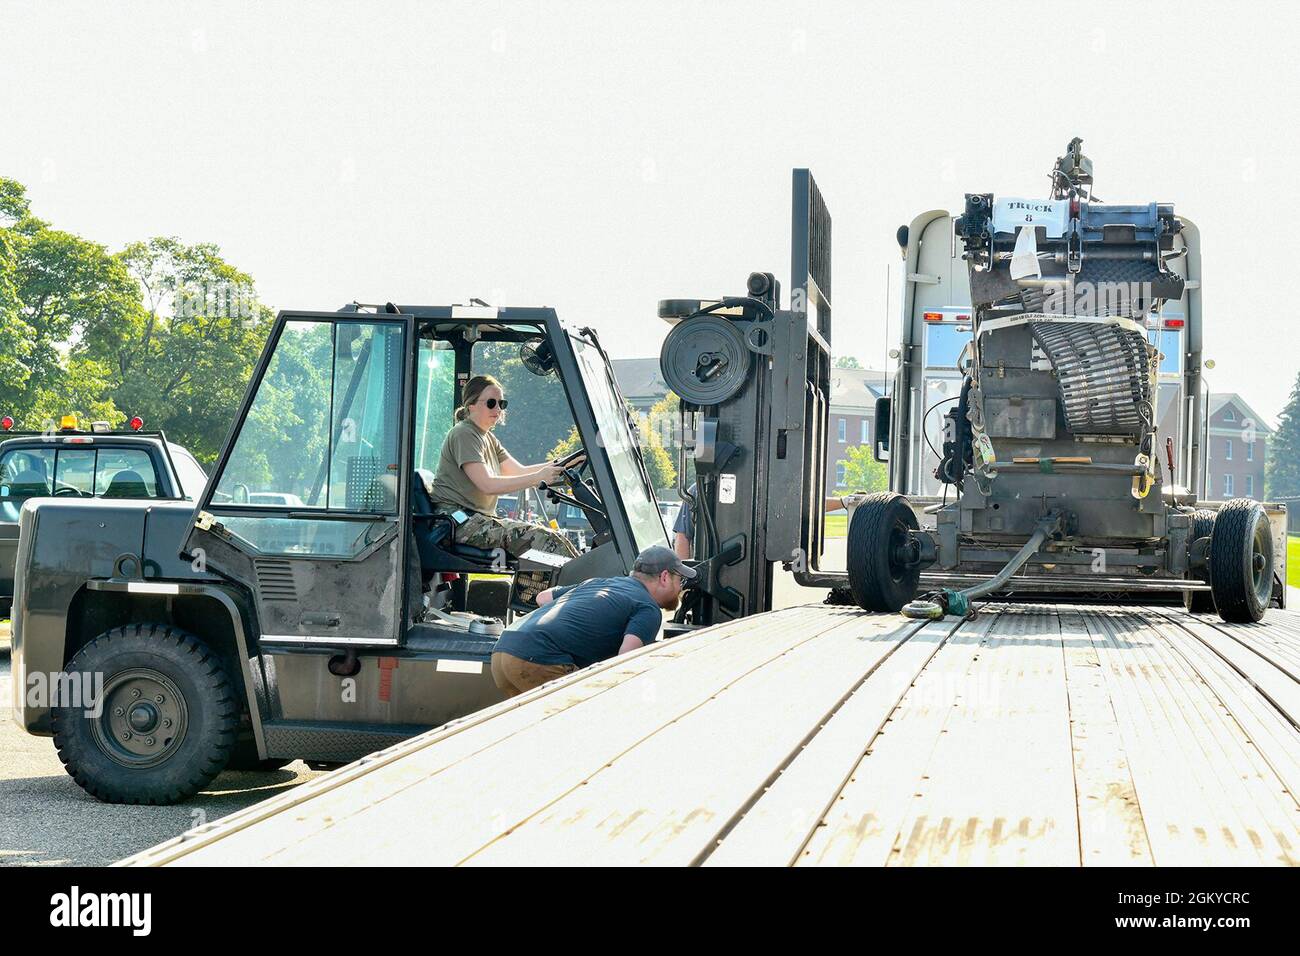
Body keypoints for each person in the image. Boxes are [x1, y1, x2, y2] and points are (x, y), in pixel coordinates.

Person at [427, 374, 580, 599]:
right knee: (542, 540)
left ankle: (574, 595)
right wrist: (539, 477)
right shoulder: (464, 434)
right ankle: (555, 602)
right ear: (471, 405)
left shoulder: (487, 438)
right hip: (456, 522)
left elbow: (519, 471)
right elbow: (487, 484)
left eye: (501, 403)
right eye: (491, 403)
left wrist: (562, 464)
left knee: (557, 538)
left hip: (475, 519)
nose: (498, 409)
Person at [489, 545, 696, 697]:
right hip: (538, 659)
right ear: (664, 577)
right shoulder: (648, 607)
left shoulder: (600, 583)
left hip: (504, 652)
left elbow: (542, 597)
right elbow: (626, 660)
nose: (680, 589)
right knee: (585, 721)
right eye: (680, 581)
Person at [673, 481, 854, 559]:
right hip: (708, 569)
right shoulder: (699, 490)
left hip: (747, 568)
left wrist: (843, 502)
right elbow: (683, 536)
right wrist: (684, 581)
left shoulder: (757, 486)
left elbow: (799, 505)